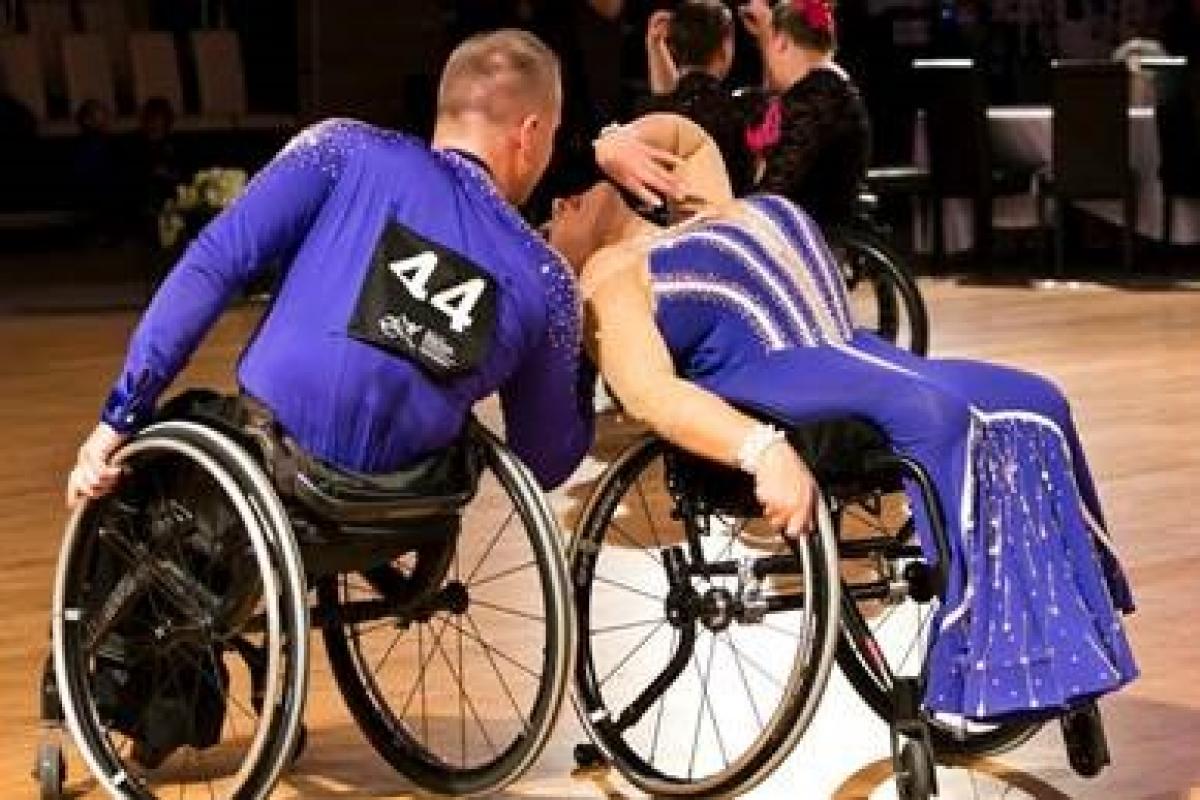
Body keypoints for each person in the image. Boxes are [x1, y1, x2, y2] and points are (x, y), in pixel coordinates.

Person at [544, 112, 1137, 720]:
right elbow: (650, 396)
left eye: (551, 216)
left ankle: (1062, 649)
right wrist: (761, 450)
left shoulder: (701, 205)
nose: (551, 234)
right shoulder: (608, 278)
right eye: (541, 232)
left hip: (854, 352)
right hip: (785, 385)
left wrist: (608, 143)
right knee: (941, 415)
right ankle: (994, 667)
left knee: (1037, 398)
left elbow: (685, 136)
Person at [66, 29, 685, 506]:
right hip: (405, 503)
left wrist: (119, 417)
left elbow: (213, 265)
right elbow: (544, 462)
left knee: (149, 470)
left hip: (274, 466)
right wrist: (584, 341)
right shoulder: (547, 278)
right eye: (552, 137)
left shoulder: (341, 148)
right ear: (528, 133)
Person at [740, 0, 871, 227]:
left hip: (806, 237)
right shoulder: (830, 88)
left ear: (781, 43)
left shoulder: (815, 99)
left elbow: (776, 190)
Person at [640, 0, 761, 194]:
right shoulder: (740, 111)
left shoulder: (649, 111)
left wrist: (654, 45)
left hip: (665, 221)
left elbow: (665, 100)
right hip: (727, 218)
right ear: (725, 48)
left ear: (674, 48)